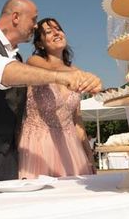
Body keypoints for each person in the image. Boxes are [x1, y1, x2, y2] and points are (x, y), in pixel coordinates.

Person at [0, 0, 102, 193]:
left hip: (10, 154)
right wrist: (62, 78)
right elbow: (1, 72)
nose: (35, 26)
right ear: (16, 17)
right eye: (34, 20)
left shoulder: (17, 58)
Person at [18, 18, 96, 178]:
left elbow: (77, 120)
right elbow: (53, 69)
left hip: (70, 148)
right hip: (38, 146)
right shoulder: (35, 62)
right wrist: (81, 76)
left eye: (58, 29)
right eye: (48, 31)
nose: (56, 32)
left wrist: (89, 154)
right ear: (40, 44)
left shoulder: (76, 72)